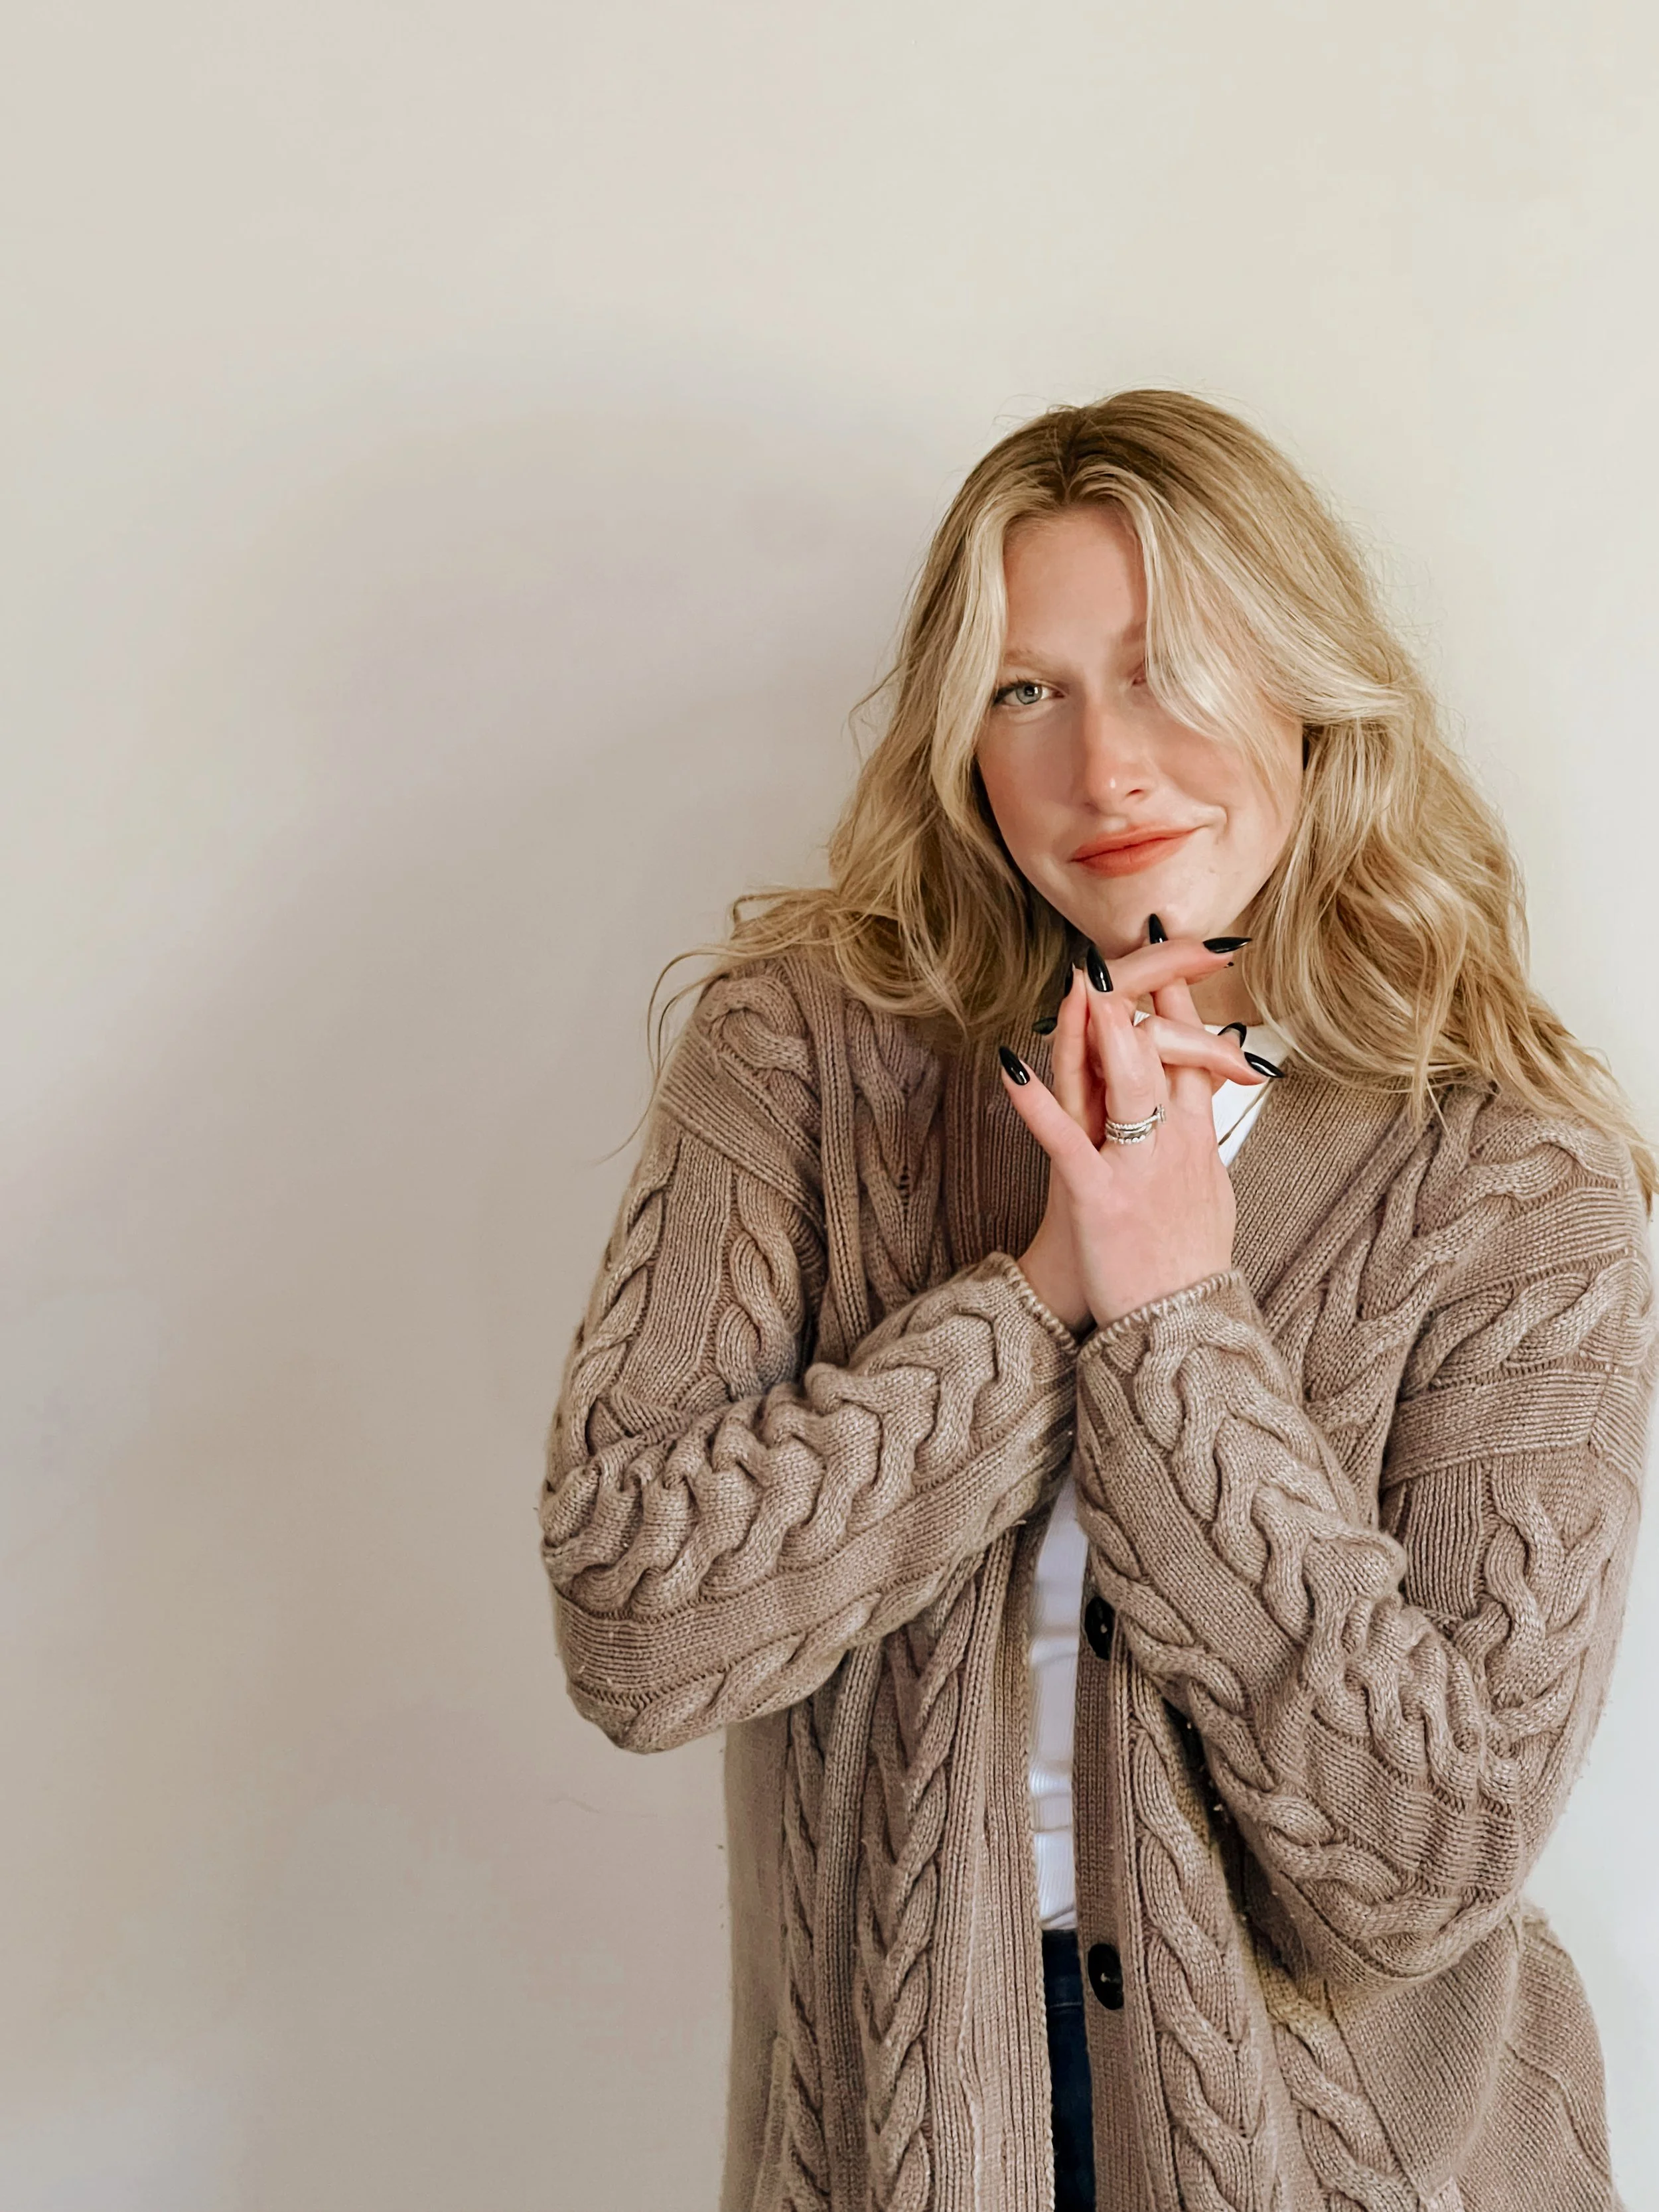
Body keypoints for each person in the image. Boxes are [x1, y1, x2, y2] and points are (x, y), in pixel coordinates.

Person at [539, 389, 1657, 2212]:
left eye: (1169, 668)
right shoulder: (804, 1059)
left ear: (1304, 682)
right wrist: (1044, 1291)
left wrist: (1172, 1323)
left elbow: (1425, 1857)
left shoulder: (1507, 1176)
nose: (1105, 768)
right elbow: (634, 1620)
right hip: (901, 2137)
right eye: (1025, 688)